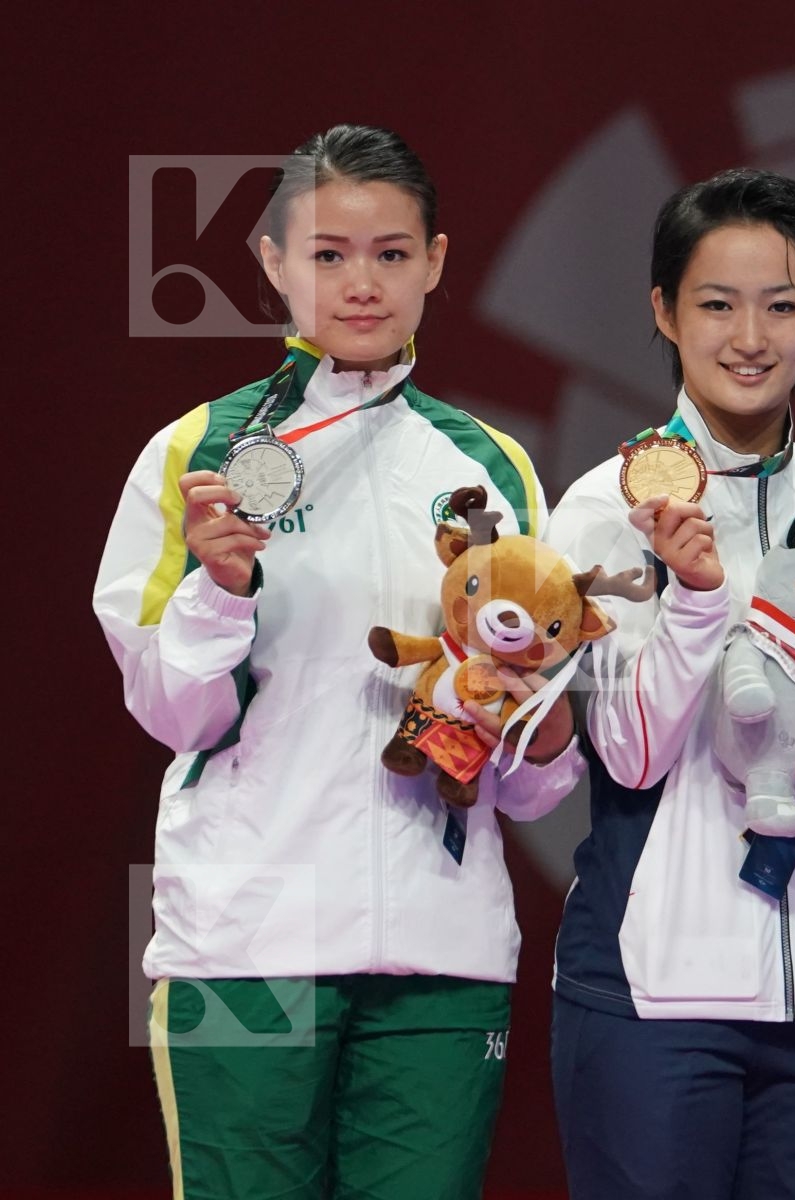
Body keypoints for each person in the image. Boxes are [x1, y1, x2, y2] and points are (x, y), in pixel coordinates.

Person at [94, 125, 580, 1198]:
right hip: (244, 940)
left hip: (441, 952)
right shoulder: (197, 456)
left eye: (392, 254)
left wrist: (541, 724)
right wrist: (220, 589)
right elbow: (173, 716)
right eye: (328, 254)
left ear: (437, 263)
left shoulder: (490, 469)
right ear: (272, 263)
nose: (362, 283)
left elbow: (538, 785)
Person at [543, 167, 795, 1200]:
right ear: (665, 311)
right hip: (654, 993)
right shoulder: (601, 510)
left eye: (783, 304)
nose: (750, 335)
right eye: (718, 303)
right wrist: (700, 602)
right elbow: (626, 751)